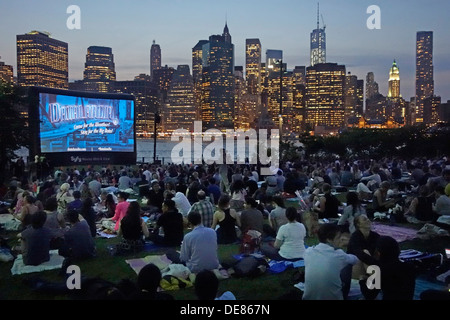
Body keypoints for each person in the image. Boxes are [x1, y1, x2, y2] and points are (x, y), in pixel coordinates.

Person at [302, 223, 358, 300]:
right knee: (348, 266)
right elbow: (355, 260)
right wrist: (347, 244)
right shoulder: (339, 255)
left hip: (308, 297)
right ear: (329, 239)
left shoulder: (308, 251)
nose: (340, 240)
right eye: (338, 238)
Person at [359, 236, 416, 300]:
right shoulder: (409, 267)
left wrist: (362, 281)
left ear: (380, 253)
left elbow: (369, 295)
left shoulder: (382, 271)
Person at [346, 215, 380, 281]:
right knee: (365, 252)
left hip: (369, 265)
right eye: (365, 219)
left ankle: (374, 278)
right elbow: (361, 255)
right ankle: (376, 280)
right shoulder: (355, 237)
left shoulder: (375, 236)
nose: (368, 220)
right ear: (359, 224)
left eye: (368, 219)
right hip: (356, 265)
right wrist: (377, 263)